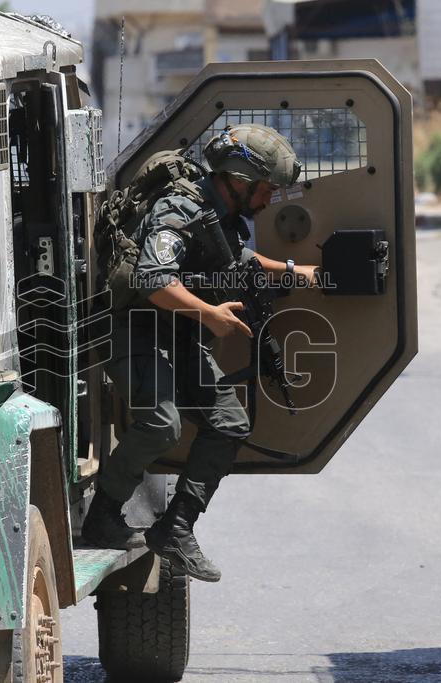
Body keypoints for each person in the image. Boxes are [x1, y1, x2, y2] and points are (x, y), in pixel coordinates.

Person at [82, 124, 320, 582]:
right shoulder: (180, 207)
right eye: (267, 188)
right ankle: (103, 514)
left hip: (177, 329)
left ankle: (176, 528)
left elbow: (237, 258)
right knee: (162, 424)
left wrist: (295, 271)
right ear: (240, 180)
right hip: (135, 327)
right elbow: (153, 279)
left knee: (230, 422)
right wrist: (210, 315)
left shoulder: (219, 212)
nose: (271, 199)